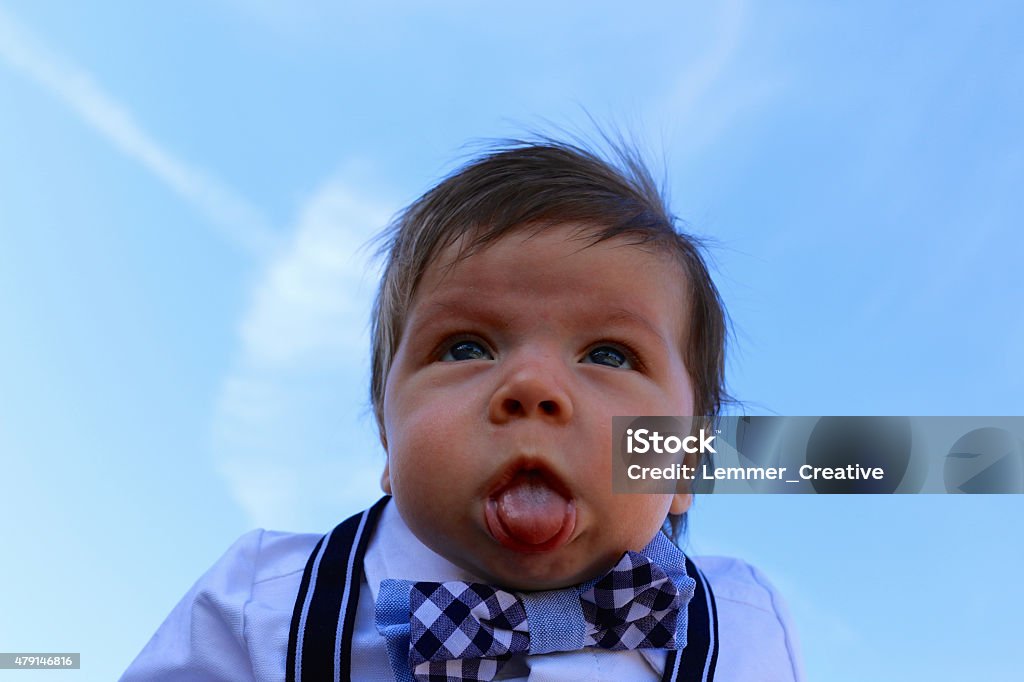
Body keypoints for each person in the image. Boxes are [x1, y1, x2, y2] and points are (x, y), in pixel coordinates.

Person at [123, 138, 804, 681]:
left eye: (610, 356)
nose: (534, 386)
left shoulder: (741, 626)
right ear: (390, 445)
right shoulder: (266, 605)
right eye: (466, 346)